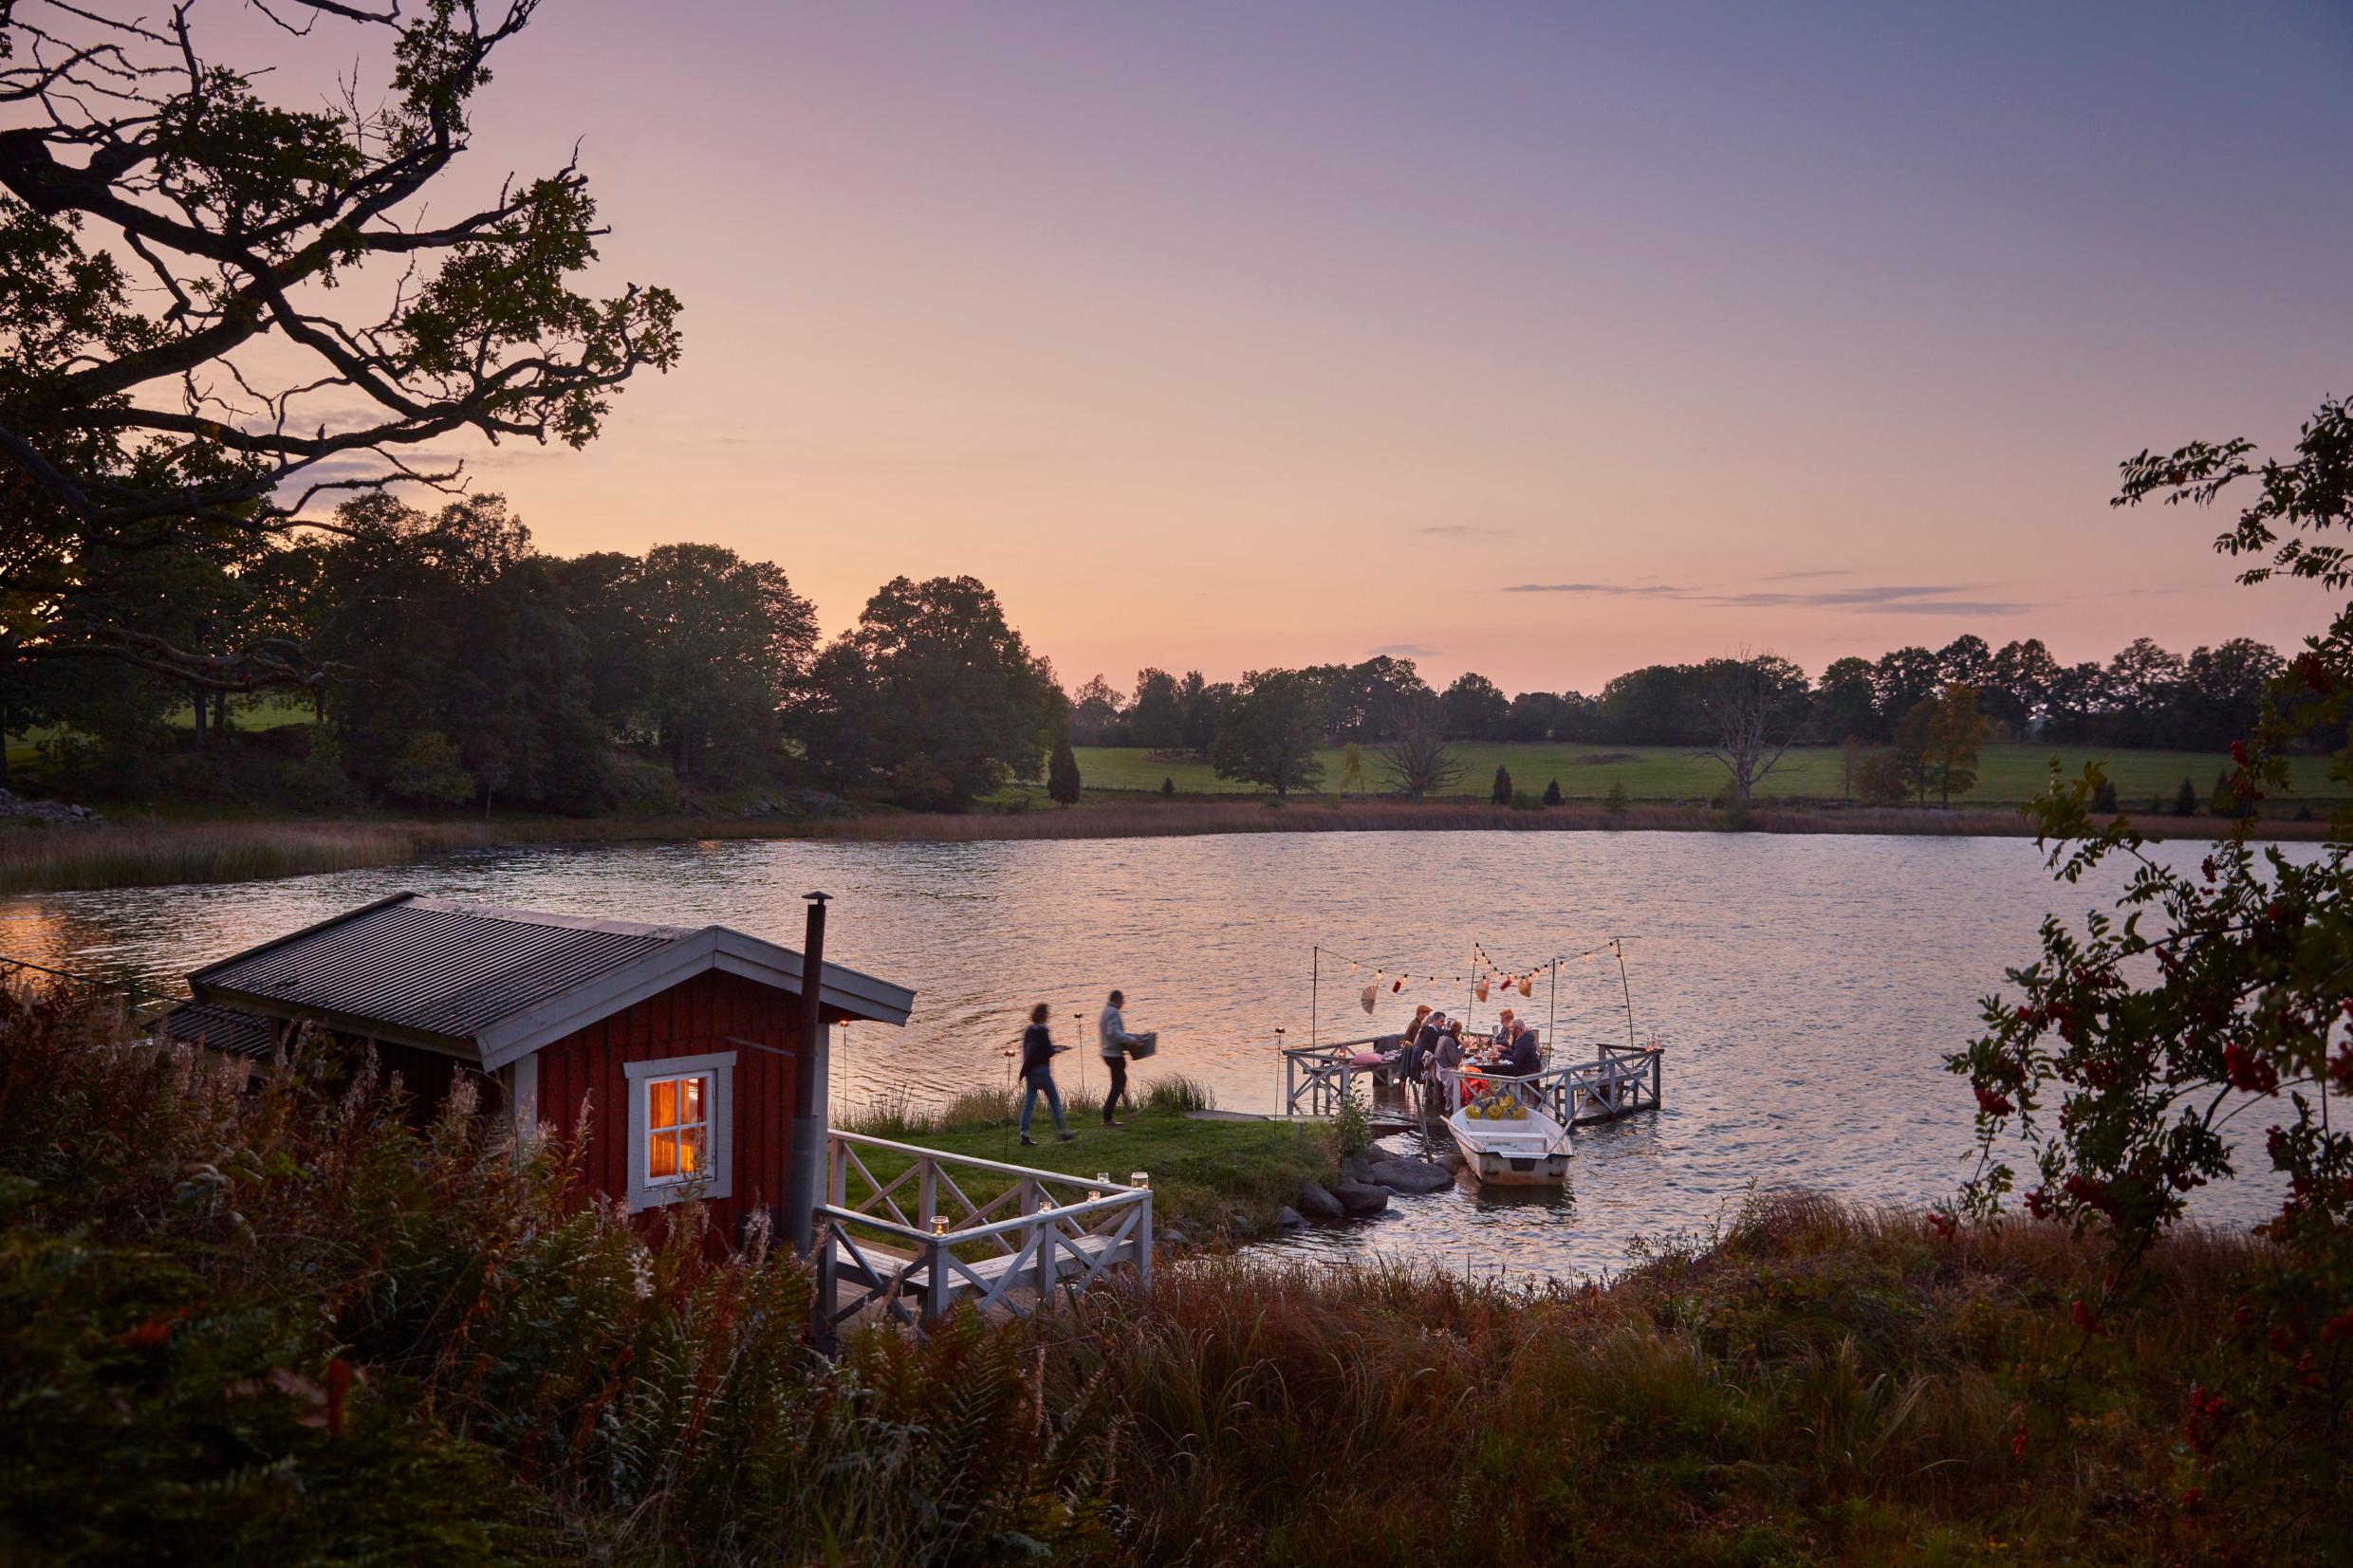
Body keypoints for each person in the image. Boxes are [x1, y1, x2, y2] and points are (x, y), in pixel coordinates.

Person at [1018, 1003, 1077, 1146]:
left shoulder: (1029, 1031)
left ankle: (1024, 1135)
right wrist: (1058, 1049)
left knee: (1029, 1104)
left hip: (1030, 1072)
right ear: (1044, 1016)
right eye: (1048, 1014)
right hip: (1042, 1072)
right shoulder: (1043, 1031)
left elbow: (1031, 1051)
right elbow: (1047, 1051)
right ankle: (1063, 1133)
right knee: (1055, 1102)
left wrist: (1024, 1072)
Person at [1098, 989, 1148, 1126]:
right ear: (1117, 999)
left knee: (1120, 1081)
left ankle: (1124, 1111)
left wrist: (1133, 1036)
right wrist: (1132, 1041)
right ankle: (1107, 1117)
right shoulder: (1113, 1012)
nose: (1123, 1003)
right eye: (1122, 1000)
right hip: (1113, 1054)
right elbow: (1113, 1033)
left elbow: (1116, 1032)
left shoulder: (1105, 1011)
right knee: (1118, 1084)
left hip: (1107, 1053)